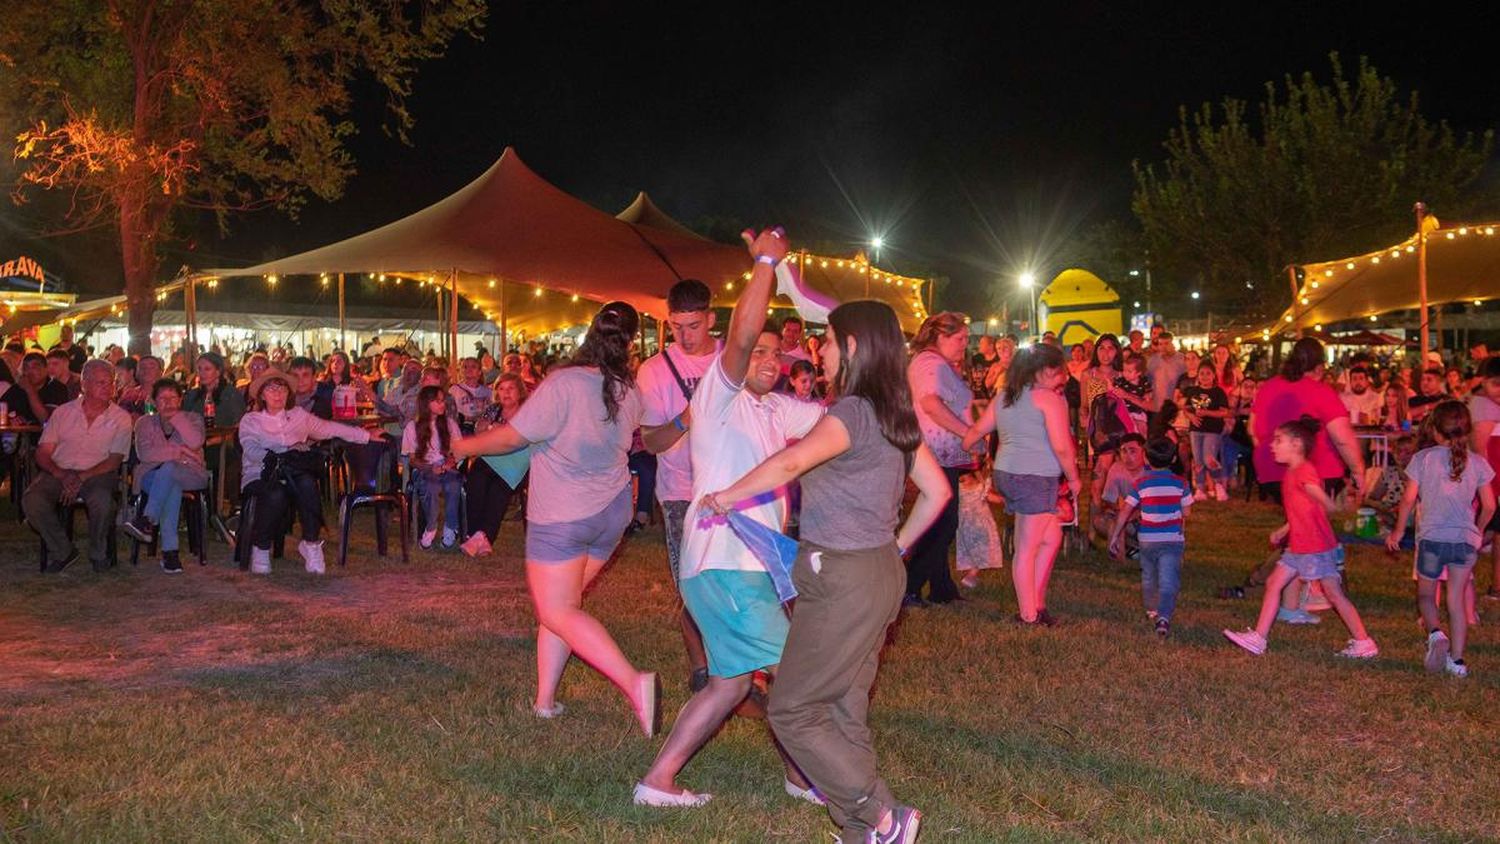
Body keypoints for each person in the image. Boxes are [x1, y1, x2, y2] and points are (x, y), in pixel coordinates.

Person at [702, 299, 949, 843]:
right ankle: (864, 831)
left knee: (791, 708)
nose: (821, 350)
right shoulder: (894, 414)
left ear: (854, 347)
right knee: (842, 708)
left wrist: (726, 496)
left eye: (830, 341)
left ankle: (882, 812)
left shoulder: (853, 413)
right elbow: (938, 492)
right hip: (879, 574)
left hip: (842, 579)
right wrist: (895, 547)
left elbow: (791, 463)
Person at [634, 226, 826, 809]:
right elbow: (740, 336)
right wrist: (767, 262)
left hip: (733, 565)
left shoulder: (778, 408)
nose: (765, 359)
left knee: (731, 683)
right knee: (799, 673)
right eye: (757, 352)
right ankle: (814, 776)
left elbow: (838, 424)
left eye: (775, 352)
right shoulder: (719, 397)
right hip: (725, 562)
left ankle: (659, 780)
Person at [452, 301, 659, 736]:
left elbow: (512, 436)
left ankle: (635, 683)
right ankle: (545, 701)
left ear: (588, 333)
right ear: (630, 342)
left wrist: (464, 447)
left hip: (564, 513)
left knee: (558, 609)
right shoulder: (629, 388)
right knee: (563, 608)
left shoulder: (563, 382)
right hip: (612, 511)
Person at [1224, 417, 1378, 658]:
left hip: (1313, 546)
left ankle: (1363, 641)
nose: (1272, 445)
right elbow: (1303, 508)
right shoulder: (1293, 472)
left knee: (1334, 594)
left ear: (1296, 444)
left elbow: (1314, 493)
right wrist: (1284, 530)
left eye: (1278, 440)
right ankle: (1258, 638)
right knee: (1275, 583)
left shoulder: (1303, 470)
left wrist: (1330, 503)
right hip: (1300, 545)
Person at [637, 278, 724, 692]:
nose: (685, 336)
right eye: (677, 326)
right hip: (680, 491)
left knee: (733, 579)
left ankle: (734, 661)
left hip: (732, 488)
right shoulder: (654, 370)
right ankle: (701, 667)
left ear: (711, 318)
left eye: (694, 325)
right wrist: (687, 418)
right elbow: (651, 441)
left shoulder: (732, 361)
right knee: (689, 581)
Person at [963, 342, 1080, 625]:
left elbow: (978, 430)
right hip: (1034, 478)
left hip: (1007, 474)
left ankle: (1036, 601)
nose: (1062, 377)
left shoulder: (1005, 395)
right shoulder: (1048, 399)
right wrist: (1075, 478)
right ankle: (1029, 614)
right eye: (1058, 371)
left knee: (1051, 536)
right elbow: (1062, 446)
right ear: (1043, 370)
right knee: (1027, 547)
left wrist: (966, 447)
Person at [1387, 401, 1495, 678]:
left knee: (1425, 595)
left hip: (1432, 540)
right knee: (1456, 602)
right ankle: (1458, 662)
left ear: (1435, 430)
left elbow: (1409, 499)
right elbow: (1490, 506)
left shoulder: (1423, 459)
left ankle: (1436, 633)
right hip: (1464, 542)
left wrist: (1398, 531)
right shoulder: (1479, 463)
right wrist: (1479, 530)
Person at [238, 368, 379, 575]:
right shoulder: (251, 420)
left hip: (294, 473)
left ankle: (311, 543)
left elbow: (330, 428)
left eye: (282, 388)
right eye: (271, 389)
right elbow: (251, 450)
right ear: (262, 394)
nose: (277, 394)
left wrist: (365, 436)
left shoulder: (298, 416)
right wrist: (287, 451)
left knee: (307, 484)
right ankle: (261, 546)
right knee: (275, 492)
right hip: (260, 474)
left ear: (289, 394)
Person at [25, 360, 133, 572]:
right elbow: (43, 452)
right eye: (100, 383)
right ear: (84, 384)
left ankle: (98, 552)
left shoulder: (121, 418)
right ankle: (62, 550)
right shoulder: (63, 413)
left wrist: (81, 477)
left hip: (97, 472)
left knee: (102, 501)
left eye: (110, 383)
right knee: (32, 499)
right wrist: (61, 474)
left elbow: (114, 460)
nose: (107, 388)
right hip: (60, 469)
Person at [904, 311, 976, 606]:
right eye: (960, 339)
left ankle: (941, 588)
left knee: (940, 522)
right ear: (941, 336)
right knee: (943, 523)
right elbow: (930, 404)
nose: (964, 345)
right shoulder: (929, 364)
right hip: (933, 453)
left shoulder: (938, 364)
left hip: (941, 453)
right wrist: (968, 433)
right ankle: (909, 585)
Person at [122, 378, 209, 573]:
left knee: (169, 471)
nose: (168, 402)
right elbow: (146, 454)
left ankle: (147, 520)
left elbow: (195, 441)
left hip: (190, 474)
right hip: (150, 477)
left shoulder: (193, 418)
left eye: (173, 398)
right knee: (171, 480)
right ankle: (170, 553)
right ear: (153, 401)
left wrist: (176, 419)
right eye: (162, 398)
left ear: (180, 400)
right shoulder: (144, 423)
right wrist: (183, 452)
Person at [1111, 436, 1194, 637]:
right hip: (1172, 541)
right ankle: (1164, 616)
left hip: (1147, 540)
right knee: (1168, 580)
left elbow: (1125, 511)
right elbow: (1187, 512)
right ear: (1174, 457)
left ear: (1146, 458)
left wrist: (1115, 535)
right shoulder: (1181, 483)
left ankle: (1151, 609)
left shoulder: (1141, 483)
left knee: (1149, 576)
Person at [459, 373, 529, 557]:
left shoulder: (529, 411)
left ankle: (481, 536)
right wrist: (497, 430)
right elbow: (479, 429)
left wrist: (495, 429)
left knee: (498, 490)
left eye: (511, 388)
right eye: (502, 388)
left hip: (516, 464)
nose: (506, 393)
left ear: (519, 390)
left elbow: (520, 438)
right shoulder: (493, 409)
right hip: (491, 458)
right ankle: (477, 536)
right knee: (475, 481)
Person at [402, 384, 463, 549]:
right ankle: (431, 526)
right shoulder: (412, 427)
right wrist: (430, 468)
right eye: (438, 401)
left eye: (442, 401)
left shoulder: (449, 424)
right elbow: (413, 460)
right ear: (426, 403)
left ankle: (451, 527)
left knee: (453, 484)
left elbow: (458, 451)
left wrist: (451, 462)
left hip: (446, 467)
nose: (443, 404)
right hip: (424, 468)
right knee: (431, 486)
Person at [1466, 358, 1500, 600]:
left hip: (1493, 481)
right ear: (1483, 383)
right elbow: (1481, 450)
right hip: (1491, 482)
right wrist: (1487, 486)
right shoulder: (1482, 405)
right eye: (1495, 385)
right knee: (1482, 531)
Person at [1082, 333, 1124, 505]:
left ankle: (1120, 521)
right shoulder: (1088, 374)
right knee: (1098, 479)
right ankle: (1095, 524)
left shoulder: (1122, 375)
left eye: (1110, 348)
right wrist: (1085, 421)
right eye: (1101, 348)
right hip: (1097, 430)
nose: (1106, 353)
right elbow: (1083, 405)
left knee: (1121, 476)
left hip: (1119, 429)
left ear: (1116, 352)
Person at [1181, 365, 1230, 500]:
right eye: (1201, 373)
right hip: (1196, 430)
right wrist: (1191, 416)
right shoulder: (1193, 391)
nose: (1204, 376)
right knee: (1198, 461)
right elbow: (1186, 408)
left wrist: (1207, 412)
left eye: (1208, 373)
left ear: (1214, 375)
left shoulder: (1218, 392)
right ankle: (1200, 489)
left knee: (1209, 459)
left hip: (1213, 430)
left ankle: (1219, 485)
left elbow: (1225, 412)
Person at [1091, 433, 1146, 551]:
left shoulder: (1152, 472)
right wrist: (1119, 512)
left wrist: (1133, 514)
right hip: (1127, 516)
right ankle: (1129, 548)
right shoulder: (1117, 469)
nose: (1127, 456)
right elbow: (1108, 500)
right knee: (1100, 521)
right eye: (1124, 451)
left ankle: (1132, 548)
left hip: (1148, 519)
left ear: (1144, 452)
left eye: (1133, 451)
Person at [183, 352, 246, 429]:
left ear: (218, 372)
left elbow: (240, 425)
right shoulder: (192, 395)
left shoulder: (231, 394)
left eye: (207, 369)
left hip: (224, 439)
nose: (202, 373)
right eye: (199, 369)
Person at [449, 357, 492, 434]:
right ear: (461, 371)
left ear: (479, 372)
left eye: (473, 366)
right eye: (465, 367)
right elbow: (450, 414)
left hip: (483, 431)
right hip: (462, 430)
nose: (469, 369)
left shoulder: (488, 392)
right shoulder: (454, 390)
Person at [1146, 331, 1185, 413]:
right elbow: (1147, 381)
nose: (1163, 347)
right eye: (1160, 344)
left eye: (1166, 343)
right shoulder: (1152, 360)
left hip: (1177, 407)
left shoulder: (1183, 359)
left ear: (1173, 344)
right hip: (1157, 407)